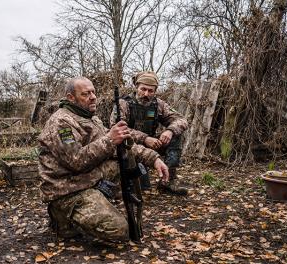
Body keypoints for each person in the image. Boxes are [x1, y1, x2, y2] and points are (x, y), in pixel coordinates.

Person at [38, 77, 170, 243]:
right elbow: (76, 161)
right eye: (86, 94)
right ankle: (62, 217)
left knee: (123, 162)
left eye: (93, 92)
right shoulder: (61, 123)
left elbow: (122, 146)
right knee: (120, 230)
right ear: (71, 97)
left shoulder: (90, 118)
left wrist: (154, 159)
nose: (93, 97)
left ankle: (98, 202)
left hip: (86, 179)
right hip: (67, 190)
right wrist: (110, 140)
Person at [109, 71, 189, 195]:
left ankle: (167, 182)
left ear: (155, 91)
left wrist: (169, 130)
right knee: (141, 189)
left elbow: (181, 120)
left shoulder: (158, 105)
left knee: (175, 137)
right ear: (136, 87)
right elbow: (117, 129)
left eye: (151, 91)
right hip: (129, 145)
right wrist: (145, 138)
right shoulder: (123, 103)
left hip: (151, 144)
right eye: (143, 89)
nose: (146, 94)